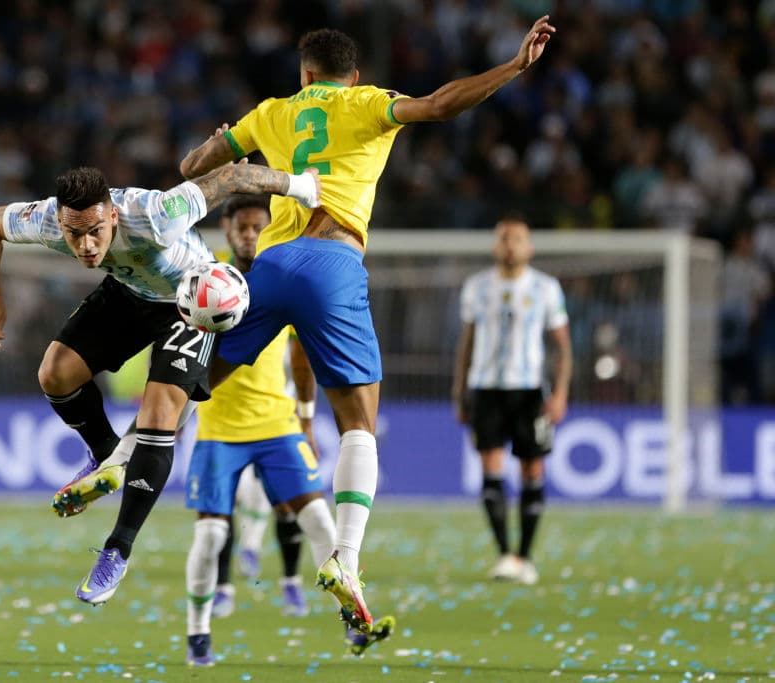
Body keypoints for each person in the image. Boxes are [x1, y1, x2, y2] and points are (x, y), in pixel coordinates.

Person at [178, 17, 556, 630]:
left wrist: (221, 141)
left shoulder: (271, 112)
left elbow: (195, 168)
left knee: (197, 380)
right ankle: (346, 558)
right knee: (359, 423)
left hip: (268, 266)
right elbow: (440, 105)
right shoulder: (366, 102)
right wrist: (513, 68)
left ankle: (123, 456)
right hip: (332, 260)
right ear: (352, 75)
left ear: (303, 75)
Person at [0, 163, 321, 605]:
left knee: (159, 416)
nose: (84, 245)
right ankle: (107, 458)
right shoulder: (45, 219)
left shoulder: (155, 213)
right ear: (60, 220)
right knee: (55, 373)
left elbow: (231, 179)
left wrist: (302, 187)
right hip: (128, 292)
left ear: (113, 216)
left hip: (191, 301)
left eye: (95, 231)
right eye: (73, 233)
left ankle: (116, 551)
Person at [182, 195, 392, 665]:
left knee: (319, 520)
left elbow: (300, 356)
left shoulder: (282, 270)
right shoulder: (209, 274)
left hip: (277, 424)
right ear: (228, 229)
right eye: (242, 227)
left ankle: (351, 619)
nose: (250, 235)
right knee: (212, 536)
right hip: (218, 427)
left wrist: (304, 412)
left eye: (259, 226)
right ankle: (198, 634)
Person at [451, 217, 572, 585]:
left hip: (529, 389)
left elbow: (563, 347)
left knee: (533, 470)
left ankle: (525, 556)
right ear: (494, 246)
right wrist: (460, 391)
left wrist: (561, 392)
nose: (510, 244)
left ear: (529, 248)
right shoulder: (476, 288)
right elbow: (467, 342)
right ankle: (505, 555)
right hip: (486, 387)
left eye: (518, 238)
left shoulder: (546, 288)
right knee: (491, 468)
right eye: (504, 238)